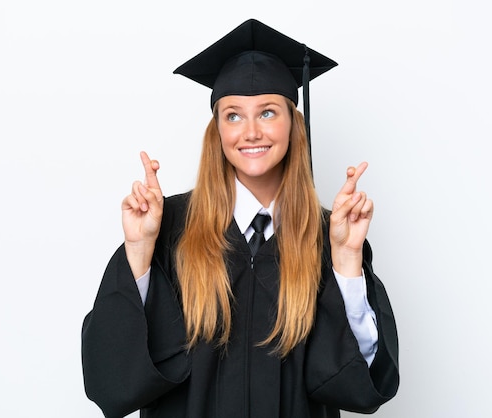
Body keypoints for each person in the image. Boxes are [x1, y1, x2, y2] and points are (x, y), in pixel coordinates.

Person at [81, 19, 399, 418]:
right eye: (233, 116)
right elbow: (111, 377)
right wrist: (140, 251)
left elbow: (358, 385)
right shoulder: (168, 228)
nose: (250, 132)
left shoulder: (327, 237)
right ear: (217, 131)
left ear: (293, 125)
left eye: (267, 112)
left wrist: (347, 262)